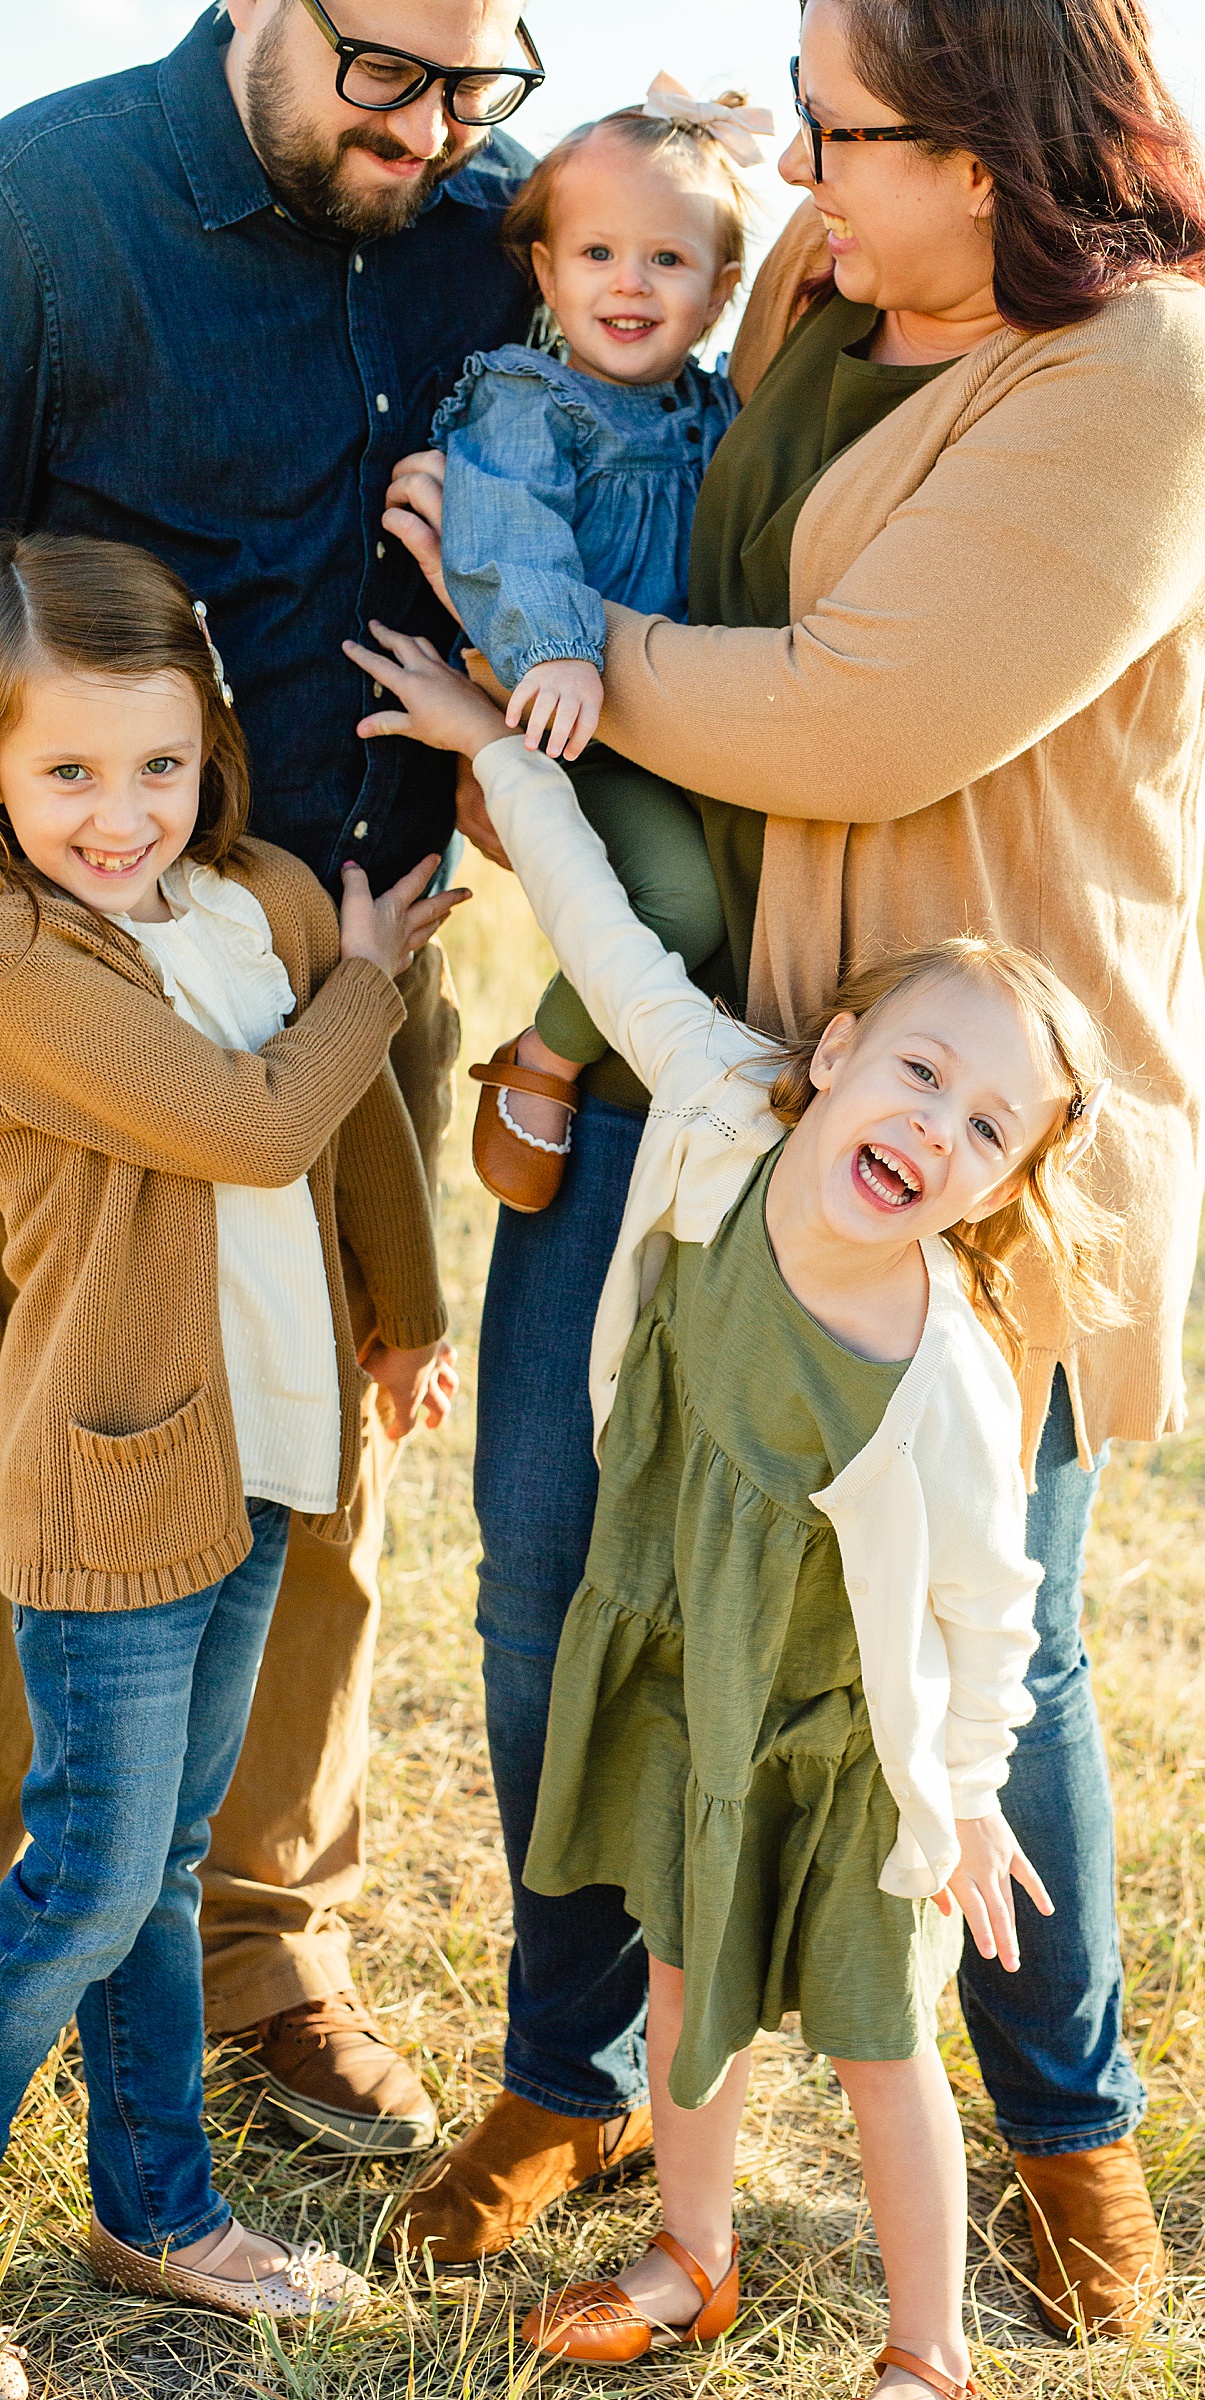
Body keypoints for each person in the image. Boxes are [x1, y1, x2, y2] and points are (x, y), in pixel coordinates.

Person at [382, 0, 1205, 2338]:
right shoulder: (803, 293)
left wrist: (536, 658)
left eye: (838, 123)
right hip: (709, 1070)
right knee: (566, 1572)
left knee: (983, 1641)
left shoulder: (1139, 379)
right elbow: (633, 480)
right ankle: (569, 2073)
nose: (792, 157)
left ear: (986, 143)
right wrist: (508, 625)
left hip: (966, 1129)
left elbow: (864, 703)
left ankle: (1063, 2126)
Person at [340, 621, 1119, 2396]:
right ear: (833, 1050)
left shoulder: (946, 1368)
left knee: (875, 2045)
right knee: (684, 1991)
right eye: (921, 1069)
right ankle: (696, 2251)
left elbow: (997, 1607)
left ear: (997, 1186)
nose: (936, 1126)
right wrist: (494, 743)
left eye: (988, 1129)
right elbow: (606, 935)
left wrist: (972, 1787)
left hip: (838, 1745)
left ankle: (928, 2354)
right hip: (696, 1682)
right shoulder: (715, 1111)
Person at [0, 0, 540, 2154]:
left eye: (473, 80)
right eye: (382, 75)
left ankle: (262, 1952)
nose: (427, 130)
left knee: (321, 1477)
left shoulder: (486, 223)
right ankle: (62, 1897)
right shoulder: (49, 207)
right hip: (74, 1015)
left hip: (358, 972)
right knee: (70, 1458)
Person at [0, 532, 460, 2347]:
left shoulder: (259, 900)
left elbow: (362, 1144)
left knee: (167, 1866)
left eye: (159, 766)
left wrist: (408, 1318)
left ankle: (160, 2211)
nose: (120, 818)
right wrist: (376, 981)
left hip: (270, 1452)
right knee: (90, 1875)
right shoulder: (30, 970)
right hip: (111, 1467)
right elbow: (261, 1117)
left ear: (212, 746)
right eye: (66, 773)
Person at [437, 81, 771, 1208]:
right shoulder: (528, 400)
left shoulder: (717, 414)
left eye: (668, 262)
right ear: (544, 272)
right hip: (584, 724)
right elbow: (506, 530)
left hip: (694, 729)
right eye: (595, 253)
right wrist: (558, 650)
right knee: (680, 905)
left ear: (721, 294)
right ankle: (545, 1057)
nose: (628, 282)